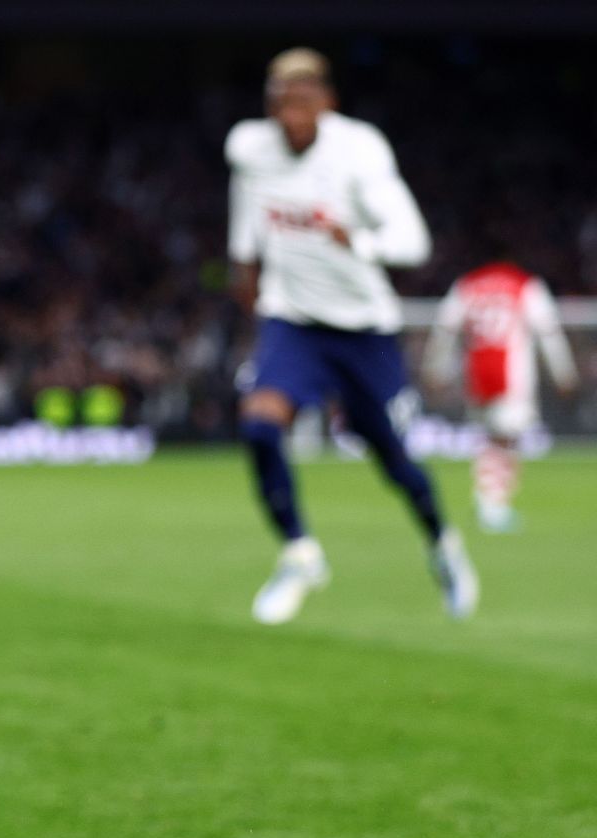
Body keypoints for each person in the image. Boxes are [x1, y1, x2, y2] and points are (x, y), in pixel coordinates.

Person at [226, 47, 476, 624]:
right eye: (282, 95)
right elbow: (248, 203)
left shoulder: (359, 151)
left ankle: (442, 543)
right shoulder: (251, 149)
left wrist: (356, 241)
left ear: (328, 100)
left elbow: (413, 241)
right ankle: (299, 553)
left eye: (305, 93)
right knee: (261, 425)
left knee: (391, 456)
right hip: (292, 320)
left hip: (364, 327)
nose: (292, 105)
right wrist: (243, 264)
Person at [422, 259, 580, 532]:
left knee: (493, 439)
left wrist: (436, 367)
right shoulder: (525, 285)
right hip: (512, 377)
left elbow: (445, 327)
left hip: (477, 374)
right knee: (505, 441)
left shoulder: (468, 285)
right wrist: (564, 372)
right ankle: (492, 503)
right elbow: (548, 332)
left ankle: (491, 500)